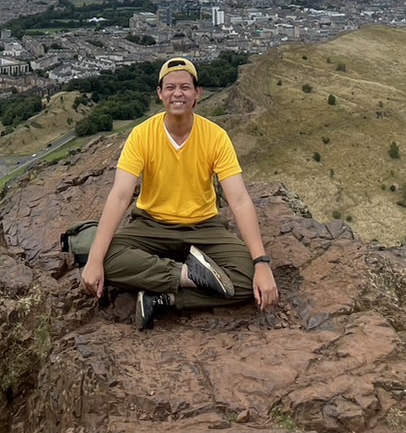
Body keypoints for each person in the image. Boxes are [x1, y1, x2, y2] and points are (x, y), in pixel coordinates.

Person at [80, 56, 279, 329]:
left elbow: (240, 200)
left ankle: (163, 298)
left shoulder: (216, 136)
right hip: (152, 225)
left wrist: (261, 262)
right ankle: (190, 276)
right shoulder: (141, 135)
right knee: (105, 259)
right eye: (170, 87)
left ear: (198, 94)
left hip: (204, 227)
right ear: (160, 94)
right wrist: (94, 260)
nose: (178, 93)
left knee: (248, 280)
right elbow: (120, 196)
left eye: (185, 87)